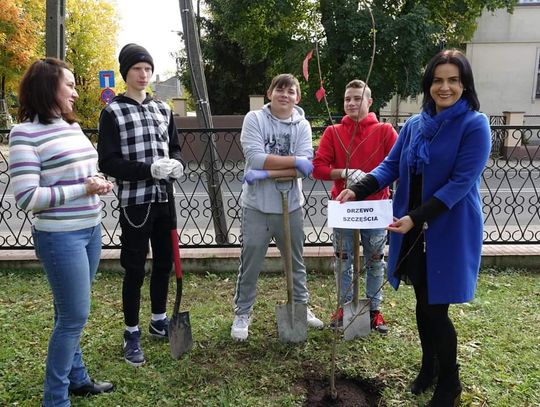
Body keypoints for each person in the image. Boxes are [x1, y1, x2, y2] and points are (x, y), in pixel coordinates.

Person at [337, 49, 491, 406]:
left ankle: (450, 383)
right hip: (414, 228)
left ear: (465, 84)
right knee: (423, 301)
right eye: (438, 80)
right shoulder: (416, 125)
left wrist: (417, 218)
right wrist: (357, 188)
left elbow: (460, 183)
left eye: (453, 80)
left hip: (448, 226)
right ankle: (428, 368)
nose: (445, 87)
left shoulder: (474, 124)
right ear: (428, 85)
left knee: (437, 309)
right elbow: (390, 166)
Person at [8, 58, 115, 406]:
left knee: (67, 311)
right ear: (46, 87)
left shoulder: (72, 127)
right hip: (59, 237)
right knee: (74, 317)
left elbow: (85, 172)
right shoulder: (24, 133)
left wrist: (98, 183)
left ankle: (77, 379)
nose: (74, 91)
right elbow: (27, 197)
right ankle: (55, 399)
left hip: (90, 230)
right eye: (68, 84)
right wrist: (82, 188)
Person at [97, 44, 183, 366]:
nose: (143, 74)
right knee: (134, 268)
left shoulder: (162, 108)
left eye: (147, 68)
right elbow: (108, 161)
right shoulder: (112, 112)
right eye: (137, 69)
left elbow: (174, 146)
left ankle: (158, 318)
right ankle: (131, 332)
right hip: (135, 203)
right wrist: (147, 170)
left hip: (164, 198)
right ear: (126, 73)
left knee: (163, 263)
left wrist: (176, 164)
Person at [231, 73, 324, 341]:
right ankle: (242, 312)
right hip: (257, 206)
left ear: (297, 97)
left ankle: (300, 306)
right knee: (251, 262)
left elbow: (305, 169)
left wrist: (268, 172)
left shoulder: (302, 125)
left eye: (291, 91)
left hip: (291, 205)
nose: (285, 95)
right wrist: (294, 162)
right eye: (280, 89)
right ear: (270, 92)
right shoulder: (255, 119)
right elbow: (256, 158)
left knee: (295, 261)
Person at [313, 80, 397, 333]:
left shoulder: (384, 131)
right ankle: (344, 306)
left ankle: (374, 310)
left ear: (369, 102)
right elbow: (318, 168)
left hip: (375, 209)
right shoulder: (333, 132)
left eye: (357, 98)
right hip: (344, 208)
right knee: (343, 260)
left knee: (374, 260)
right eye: (347, 98)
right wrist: (344, 171)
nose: (351, 103)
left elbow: (397, 165)